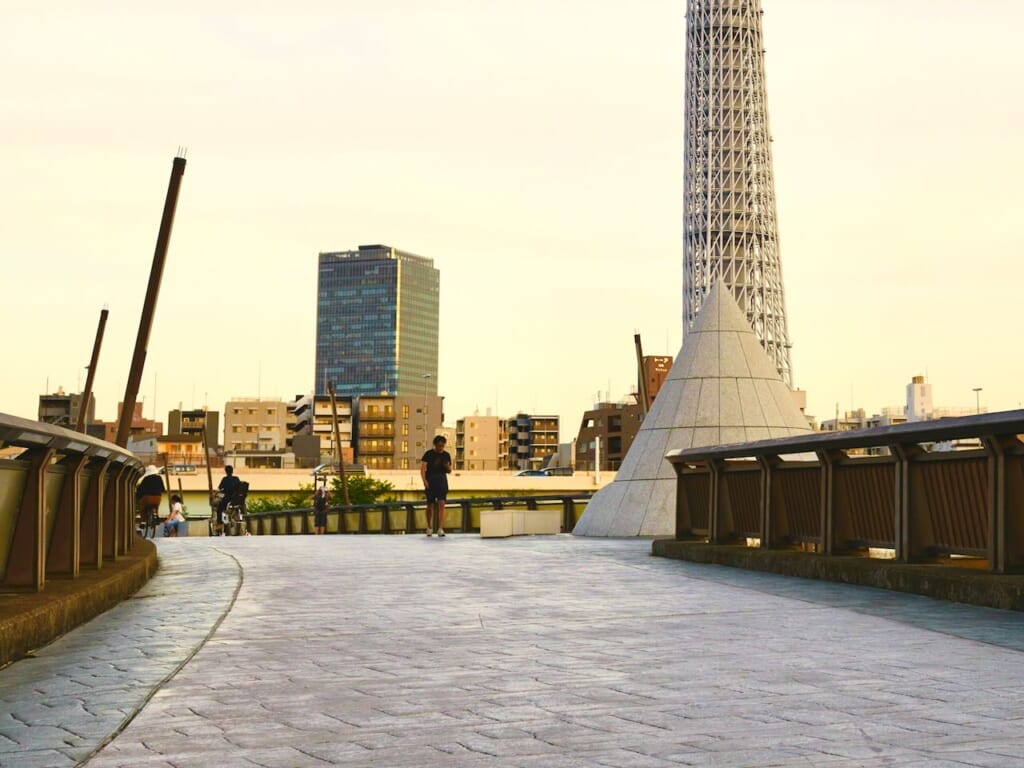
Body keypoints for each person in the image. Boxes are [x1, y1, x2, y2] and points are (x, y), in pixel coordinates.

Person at [420, 435, 452, 537]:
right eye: (439, 446)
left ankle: (440, 528)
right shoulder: (428, 454)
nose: (441, 448)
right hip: (431, 481)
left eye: (442, 446)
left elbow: (449, 470)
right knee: (430, 505)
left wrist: (446, 465)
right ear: (435, 445)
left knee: (442, 503)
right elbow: (423, 468)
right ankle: (429, 527)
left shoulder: (446, 455)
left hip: (442, 481)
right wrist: (424, 480)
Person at [136, 465, 165, 537]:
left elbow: (140, 490)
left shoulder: (146, 478)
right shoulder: (159, 478)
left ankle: (143, 522)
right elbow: (163, 489)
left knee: (143, 508)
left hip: (148, 498)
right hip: (157, 498)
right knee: (156, 506)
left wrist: (138, 496)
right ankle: (156, 515)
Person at [217, 465, 242, 534]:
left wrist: (218, 492)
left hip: (228, 498)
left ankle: (219, 525)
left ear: (226, 471)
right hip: (236, 499)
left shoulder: (225, 479)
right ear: (232, 471)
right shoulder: (236, 478)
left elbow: (220, 488)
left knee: (219, 509)